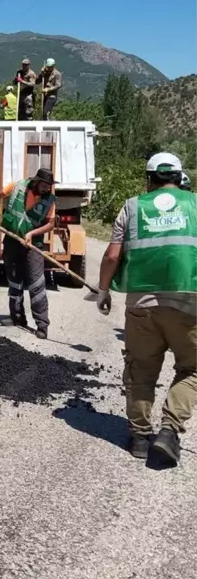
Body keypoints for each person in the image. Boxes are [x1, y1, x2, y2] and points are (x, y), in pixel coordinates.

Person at [96, 152, 197, 465]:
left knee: (141, 369)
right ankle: (169, 431)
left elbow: (112, 256)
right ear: (180, 177)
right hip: (189, 304)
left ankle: (140, 437)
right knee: (192, 369)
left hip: (141, 302)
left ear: (149, 179)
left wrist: (103, 291)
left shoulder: (132, 206)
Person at [0, 168, 57, 339]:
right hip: (12, 241)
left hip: (34, 245)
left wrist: (31, 234)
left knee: (36, 284)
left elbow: (51, 224)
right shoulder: (17, 187)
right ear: (37, 181)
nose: (48, 189)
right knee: (14, 280)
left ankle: (42, 325)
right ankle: (17, 317)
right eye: (45, 185)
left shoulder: (49, 201)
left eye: (49, 186)